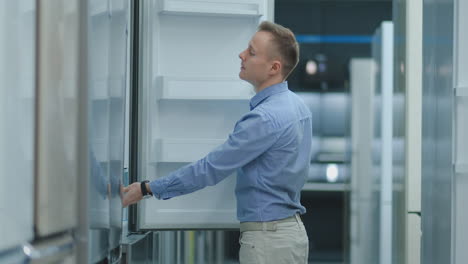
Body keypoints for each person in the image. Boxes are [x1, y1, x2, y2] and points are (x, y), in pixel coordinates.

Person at [123, 21, 312, 264]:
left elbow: (210, 169)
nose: (241, 55)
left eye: (252, 52)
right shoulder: (298, 107)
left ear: (274, 67)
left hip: (268, 242)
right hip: (290, 234)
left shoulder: (263, 119)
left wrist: (147, 188)